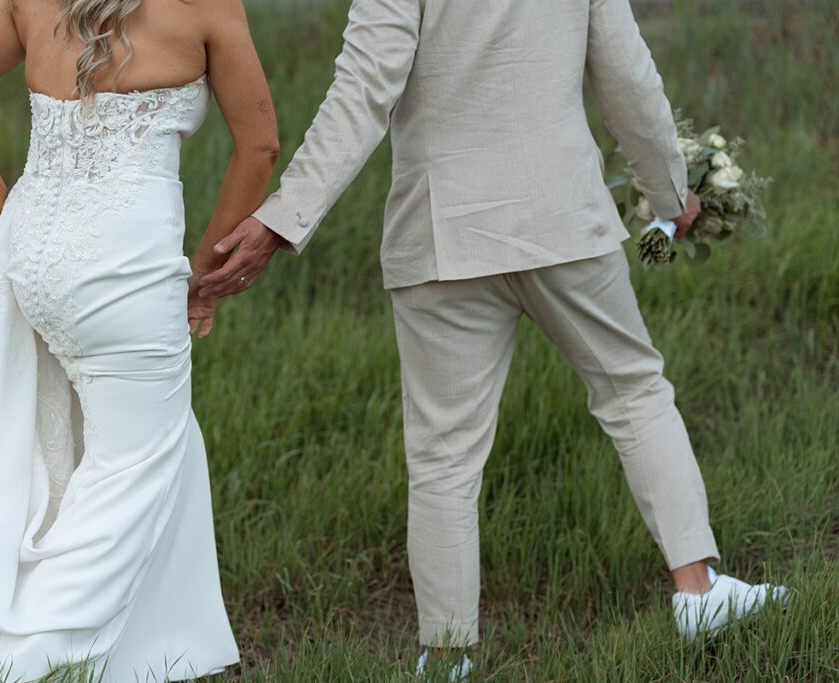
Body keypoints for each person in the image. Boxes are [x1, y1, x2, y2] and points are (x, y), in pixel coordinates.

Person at [198, 0, 787, 675]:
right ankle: (699, 590)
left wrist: (282, 219)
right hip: (562, 217)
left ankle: (445, 656)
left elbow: (361, 91)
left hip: (442, 232)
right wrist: (667, 192)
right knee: (633, 390)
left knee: (444, 453)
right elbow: (627, 76)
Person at [0, 0, 278, 680]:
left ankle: (156, 651)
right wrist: (206, 275)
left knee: (154, 443)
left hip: (39, 260)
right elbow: (260, 145)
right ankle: (27, 661)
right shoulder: (205, 6)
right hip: (123, 271)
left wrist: (7, 207)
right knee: (133, 464)